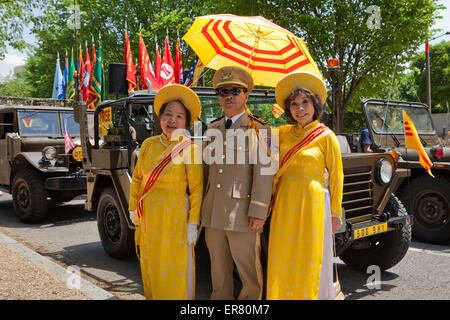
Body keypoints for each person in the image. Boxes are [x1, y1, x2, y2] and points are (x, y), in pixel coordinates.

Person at [266, 70, 344, 300]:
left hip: (314, 205)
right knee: (283, 254)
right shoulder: (281, 133)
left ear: (315, 105)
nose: (300, 108)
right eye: (294, 104)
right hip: (284, 205)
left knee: (309, 256)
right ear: (288, 109)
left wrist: (335, 212)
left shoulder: (326, 136)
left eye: (305, 102)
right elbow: (254, 133)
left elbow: (338, 175)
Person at [201, 66, 275, 300]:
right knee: (218, 273)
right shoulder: (212, 129)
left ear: (246, 94)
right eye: (222, 92)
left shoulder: (260, 129)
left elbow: (265, 173)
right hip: (213, 213)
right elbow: (205, 172)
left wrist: (259, 210)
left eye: (235, 90)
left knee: (249, 275)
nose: (228, 96)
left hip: (243, 214)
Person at [128, 84, 203, 300]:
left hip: (177, 219)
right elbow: (138, 178)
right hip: (150, 217)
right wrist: (133, 208)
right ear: (159, 117)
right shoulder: (149, 145)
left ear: (186, 122)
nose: (172, 120)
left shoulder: (190, 149)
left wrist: (193, 223)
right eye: (168, 114)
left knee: (175, 268)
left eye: (179, 116)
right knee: (151, 264)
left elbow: (197, 191)